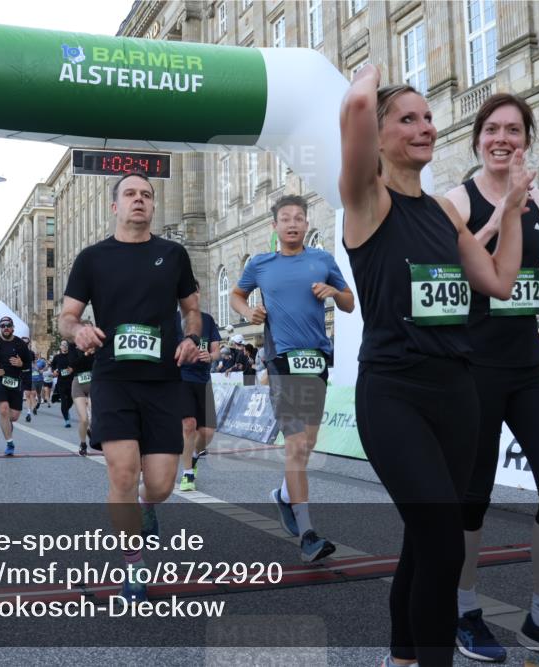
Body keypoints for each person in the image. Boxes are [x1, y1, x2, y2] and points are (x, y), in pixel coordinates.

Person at [339, 68, 530, 666]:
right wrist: (367, 87)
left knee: (427, 546)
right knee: (446, 548)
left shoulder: (445, 214)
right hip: (393, 395)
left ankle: (400, 656)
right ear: (381, 133)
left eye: (428, 117)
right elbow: (355, 117)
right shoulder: (367, 199)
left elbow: (499, 282)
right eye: (408, 118)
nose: (426, 127)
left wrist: (516, 210)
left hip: (456, 393)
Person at [444, 93, 539, 666]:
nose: (502, 138)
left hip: (526, 368)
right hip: (472, 368)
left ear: (526, 138)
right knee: (472, 498)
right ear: (478, 138)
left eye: (513, 129)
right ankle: (463, 608)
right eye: (492, 130)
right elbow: (455, 270)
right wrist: (500, 210)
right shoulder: (456, 200)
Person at [59, 170, 201, 603]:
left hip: (162, 381)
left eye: (146, 195)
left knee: (159, 484)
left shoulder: (174, 254)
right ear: (115, 205)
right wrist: (78, 330)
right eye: (130, 194)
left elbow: (191, 309)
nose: (139, 200)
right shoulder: (91, 258)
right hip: (114, 379)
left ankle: (145, 507)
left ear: (153, 206)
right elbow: (66, 317)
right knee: (122, 472)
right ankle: (133, 566)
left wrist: (191, 338)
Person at [231, 193, 356, 563]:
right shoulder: (261, 264)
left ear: (305, 224)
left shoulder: (322, 259)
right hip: (281, 360)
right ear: (275, 226)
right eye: (285, 218)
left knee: (309, 442)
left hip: (315, 358)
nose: (292, 223)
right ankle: (308, 533)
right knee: (297, 445)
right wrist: (248, 311)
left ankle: (283, 496)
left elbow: (349, 302)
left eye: (298, 218)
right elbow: (238, 295)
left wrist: (334, 291)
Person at [176, 282, 222, 492]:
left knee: (207, 433)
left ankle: (194, 456)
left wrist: (209, 356)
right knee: (189, 425)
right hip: (181, 378)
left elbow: (216, 352)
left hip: (203, 380)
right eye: (187, 292)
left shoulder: (208, 320)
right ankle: (187, 474)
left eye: (195, 292)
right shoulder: (173, 321)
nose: (192, 296)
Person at [0, 316, 31, 456]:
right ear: (0, 329)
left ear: (13, 327)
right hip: (0, 382)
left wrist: (21, 364)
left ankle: (6, 425)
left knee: (14, 417)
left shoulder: (21, 345)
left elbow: (28, 365)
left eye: (8, 325)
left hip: (16, 382)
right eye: (3, 326)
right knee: (3, 410)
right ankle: (9, 443)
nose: (6, 328)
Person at [68, 337, 95, 453]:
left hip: (94, 383)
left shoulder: (96, 345)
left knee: (94, 417)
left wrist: (94, 353)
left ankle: (92, 431)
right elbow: (73, 365)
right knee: (84, 419)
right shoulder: (73, 346)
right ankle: (83, 443)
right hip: (78, 383)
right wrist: (86, 353)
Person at [51, 340, 75, 428]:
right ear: (60, 347)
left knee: (71, 401)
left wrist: (73, 369)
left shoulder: (72, 356)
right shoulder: (57, 357)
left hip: (72, 382)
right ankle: (67, 420)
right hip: (61, 382)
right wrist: (54, 371)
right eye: (63, 345)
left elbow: (76, 364)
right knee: (63, 401)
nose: (64, 346)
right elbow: (53, 366)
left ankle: (66, 410)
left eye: (66, 344)